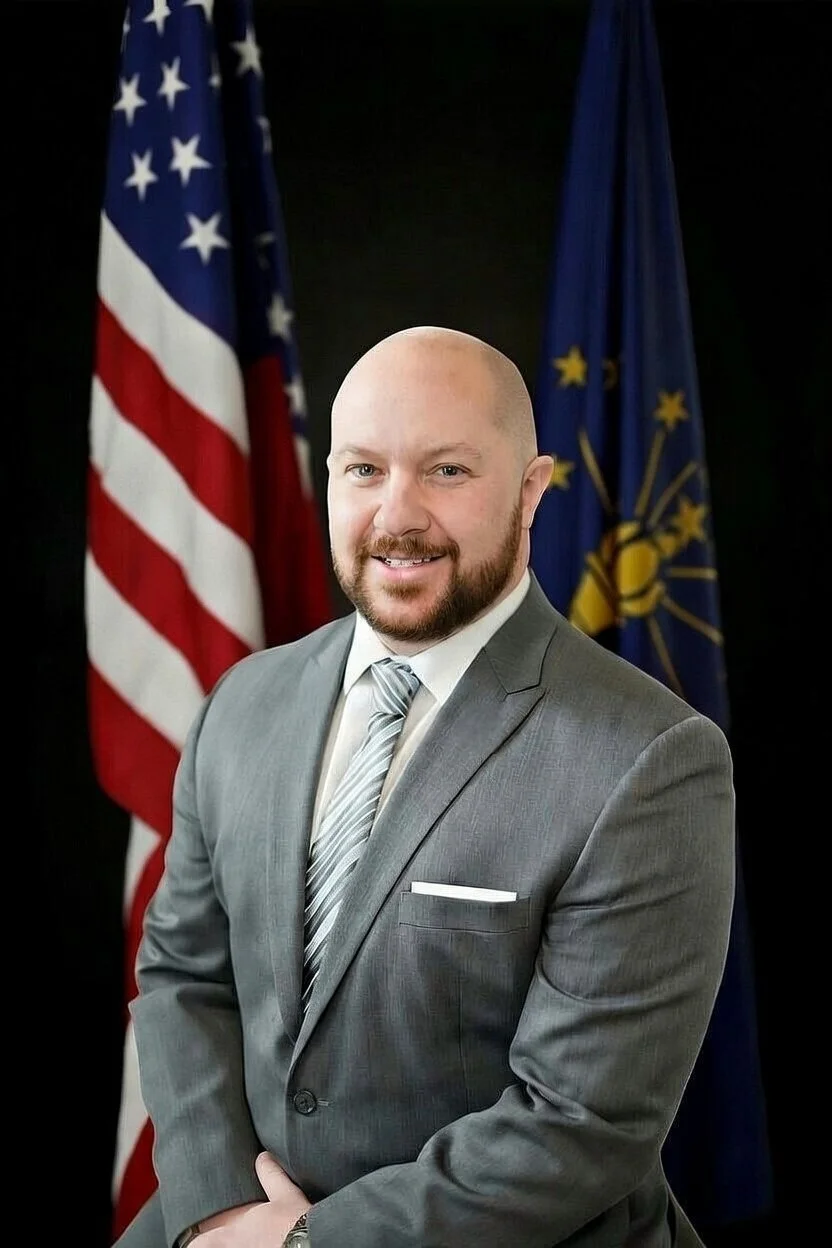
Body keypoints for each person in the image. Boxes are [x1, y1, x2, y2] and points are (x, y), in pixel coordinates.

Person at [116, 326, 735, 1248]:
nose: (395, 516)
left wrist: (305, 1244)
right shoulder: (242, 704)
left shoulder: (651, 761)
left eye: (447, 471)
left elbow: (579, 1124)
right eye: (363, 470)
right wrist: (218, 1209)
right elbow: (183, 975)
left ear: (531, 492)